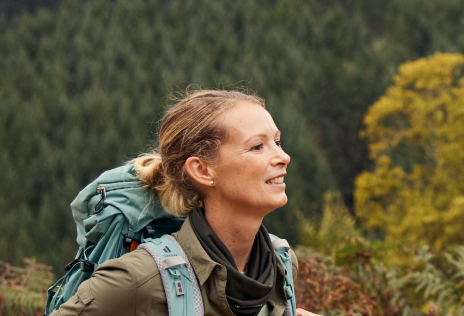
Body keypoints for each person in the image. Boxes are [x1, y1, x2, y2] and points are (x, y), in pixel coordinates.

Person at [51, 90, 321, 316]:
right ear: (202, 170)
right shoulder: (140, 277)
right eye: (257, 147)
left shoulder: (282, 263)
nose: (283, 157)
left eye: (277, 142)